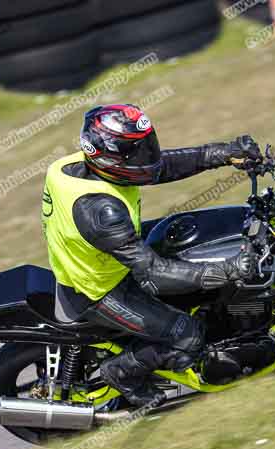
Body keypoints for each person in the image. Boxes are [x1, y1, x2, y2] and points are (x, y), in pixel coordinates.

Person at [42, 104, 262, 406]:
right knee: (188, 335)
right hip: (98, 290)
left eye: (147, 144)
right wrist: (228, 269)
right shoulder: (101, 211)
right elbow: (153, 272)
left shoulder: (79, 165)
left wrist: (222, 153)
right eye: (138, 150)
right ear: (110, 156)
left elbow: (159, 166)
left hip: (105, 259)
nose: (147, 155)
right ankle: (121, 373)